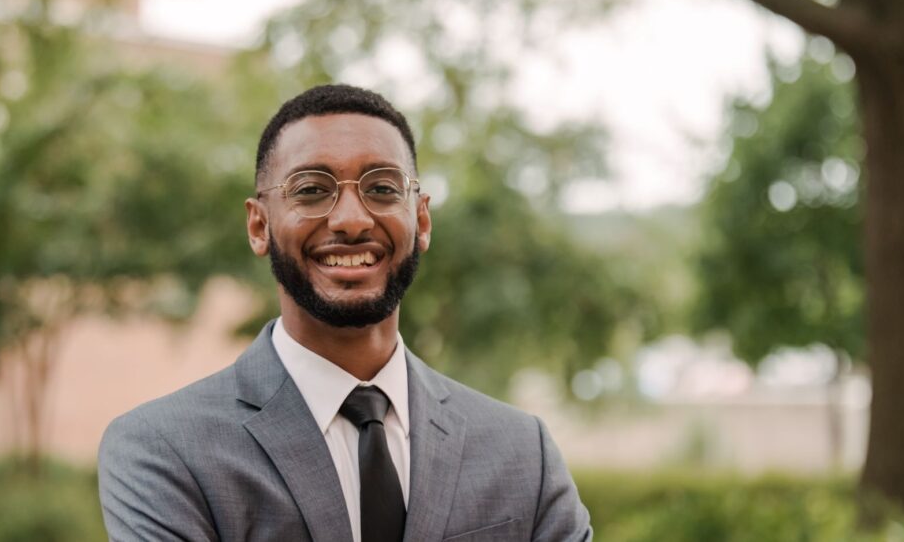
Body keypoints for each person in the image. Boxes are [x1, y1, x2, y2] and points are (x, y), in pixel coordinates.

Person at [98, 84, 592, 542]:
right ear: (258, 225)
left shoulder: (523, 452)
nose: (353, 220)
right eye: (311, 189)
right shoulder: (162, 450)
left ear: (420, 219)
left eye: (381, 188)